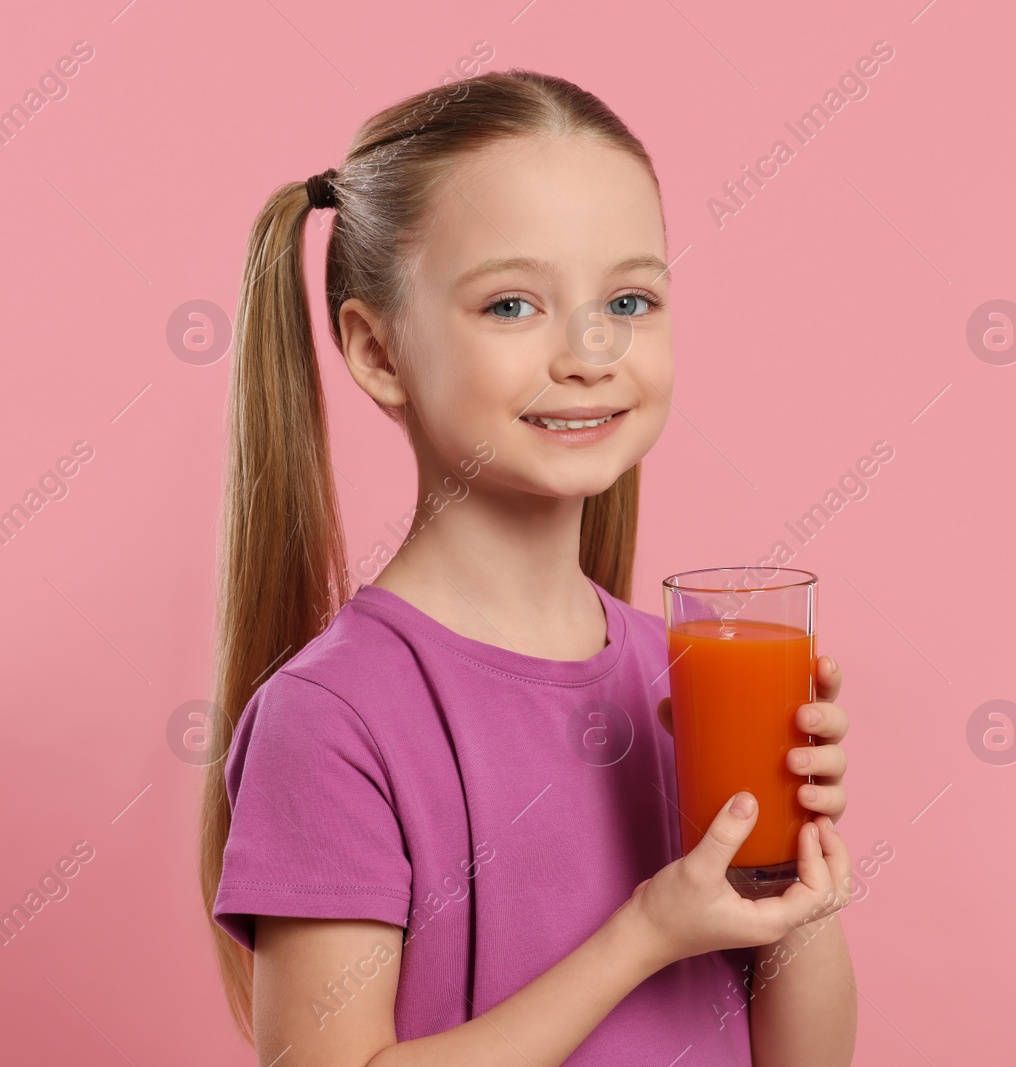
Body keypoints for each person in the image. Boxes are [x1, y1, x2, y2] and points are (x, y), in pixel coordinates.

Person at [197, 68, 857, 1066]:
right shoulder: (335, 717)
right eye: (512, 304)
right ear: (377, 351)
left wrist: (786, 881)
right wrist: (646, 932)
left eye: (628, 298)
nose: (591, 352)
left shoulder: (678, 674)